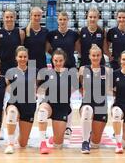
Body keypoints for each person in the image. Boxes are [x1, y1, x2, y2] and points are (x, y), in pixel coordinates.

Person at [46, 11, 80, 139]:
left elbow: (77, 49)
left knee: (67, 97)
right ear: (57, 20)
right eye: (60, 19)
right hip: (56, 69)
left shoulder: (73, 35)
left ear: (68, 20)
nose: (62, 21)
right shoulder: (52, 34)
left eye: (64, 19)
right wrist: (56, 57)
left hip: (70, 68)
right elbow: (48, 49)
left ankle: (68, 126)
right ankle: (57, 122)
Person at [37, 49, 78, 154]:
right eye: (56, 60)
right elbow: (37, 87)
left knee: (58, 145)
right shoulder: (46, 73)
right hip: (49, 104)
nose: (58, 63)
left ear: (64, 61)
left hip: (62, 108)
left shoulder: (71, 75)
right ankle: (42, 143)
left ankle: (54, 138)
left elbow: (77, 88)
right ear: (52, 61)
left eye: (60, 60)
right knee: (42, 112)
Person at [79, 45, 112, 154]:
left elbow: (111, 89)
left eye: (98, 55)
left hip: (101, 106)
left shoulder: (107, 71)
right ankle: (84, 142)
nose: (95, 57)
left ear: (101, 56)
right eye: (93, 55)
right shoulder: (83, 69)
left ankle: (90, 134)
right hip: (87, 103)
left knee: (95, 144)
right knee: (87, 110)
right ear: (89, 56)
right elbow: (79, 85)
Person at [4, 46, 38, 154]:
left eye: (25, 57)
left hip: (29, 105)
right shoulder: (10, 72)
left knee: (23, 144)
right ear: (16, 58)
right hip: (14, 103)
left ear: (28, 58)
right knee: (12, 112)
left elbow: (40, 87)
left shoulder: (34, 71)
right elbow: (2, 87)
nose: (22, 59)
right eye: (20, 57)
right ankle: (10, 144)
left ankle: (18, 133)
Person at [0, 9, 25, 75]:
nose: (9, 19)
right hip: (2, 66)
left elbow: (21, 49)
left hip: (16, 66)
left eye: (11, 17)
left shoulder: (21, 33)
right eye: (7, 17)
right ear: (3, 18)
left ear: (15, 18)